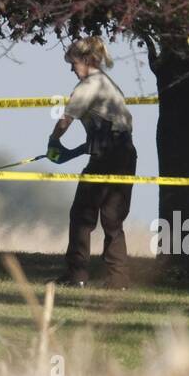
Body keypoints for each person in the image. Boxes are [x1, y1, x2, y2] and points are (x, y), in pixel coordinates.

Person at [46, 36, 137, 289]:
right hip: (125, 154)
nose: (71, 69)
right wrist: (73, 153)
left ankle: (77, 276)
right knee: (112, 218)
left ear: (86, 61)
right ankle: (118, 279)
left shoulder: (88, 86)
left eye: (73, 63)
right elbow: (109, 134)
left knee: (82, 214)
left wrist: (53, 142)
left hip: (107, 157)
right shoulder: (109, 85)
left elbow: (65, 120)